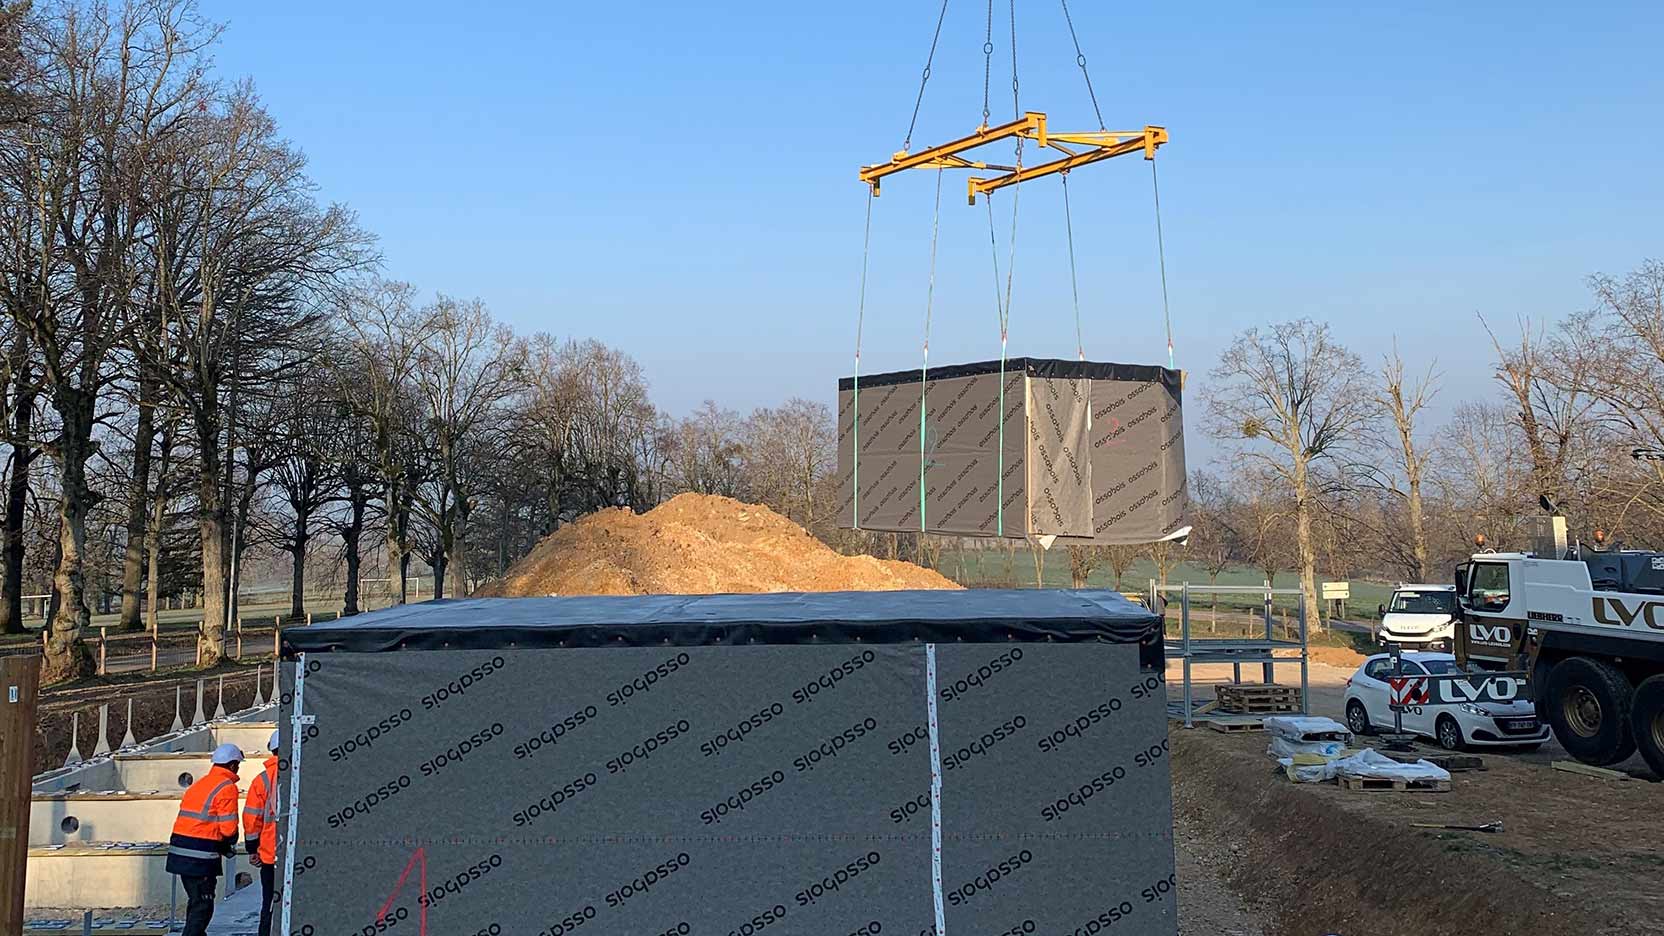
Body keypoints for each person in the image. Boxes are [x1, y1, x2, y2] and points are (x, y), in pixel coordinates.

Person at [167, 743, 243, 936]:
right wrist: (230, 841)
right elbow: (228, 828)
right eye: (238, 765)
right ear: (232, 765)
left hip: (180, 851)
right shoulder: (226, 787)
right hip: (200, 855)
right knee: (203, 904)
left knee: (196, 901)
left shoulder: (200, 784)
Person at [243, 731, 282, 936]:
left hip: (269, 854)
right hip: (299, 853)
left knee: (270, 901)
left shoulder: (262, 780)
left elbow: (251, 819)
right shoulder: (307, 773)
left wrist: (252, 849)